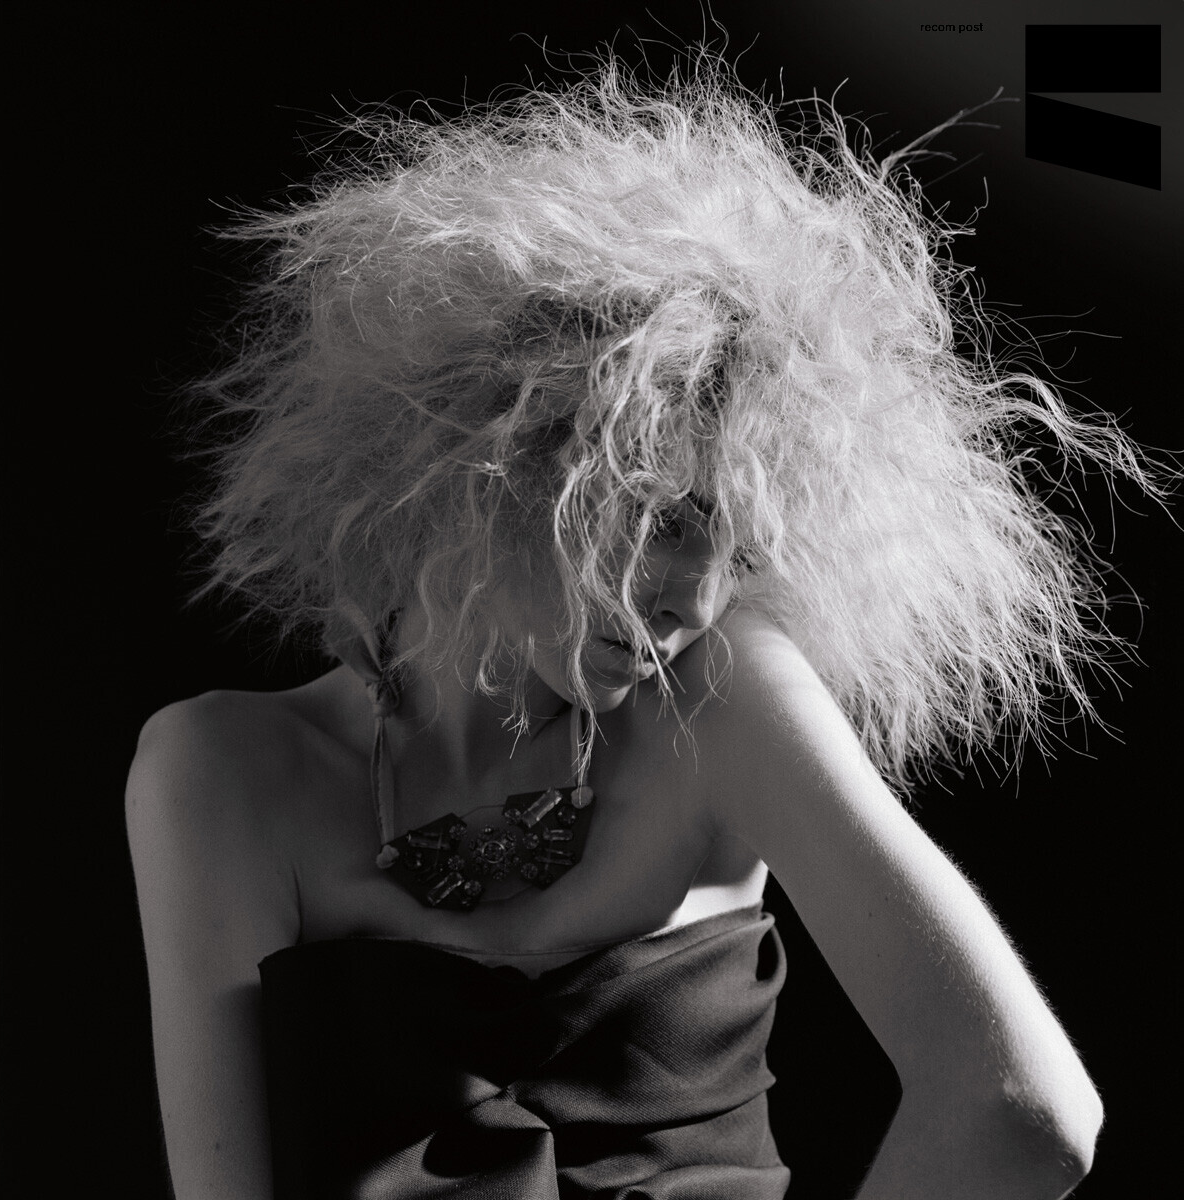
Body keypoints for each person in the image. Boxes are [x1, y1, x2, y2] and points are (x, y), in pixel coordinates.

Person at [127, 53, 1159, 1199]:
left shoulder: (723, 693)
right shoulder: (217, 771)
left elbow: (1022, 1111)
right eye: (666, 520)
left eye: (742, 550)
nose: (697, 601)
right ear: (490, 464)